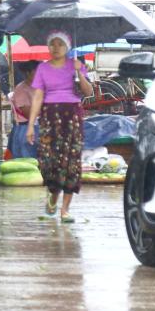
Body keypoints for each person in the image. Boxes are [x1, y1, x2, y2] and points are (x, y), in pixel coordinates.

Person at [26, 31, 93, 223]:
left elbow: (87, 92)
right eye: (52, 44)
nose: (56, 48)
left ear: (67, 47)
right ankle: (53, 196)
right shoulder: (42, 69)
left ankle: (65, 210)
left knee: (71, 160)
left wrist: (80, 72)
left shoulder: (75, 66)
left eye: (60, 44)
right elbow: (38, 97)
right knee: (49, 161)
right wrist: (31, 125)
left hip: (72, 116)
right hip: (50, 117)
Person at [8, 61, 39, 159]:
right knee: (29, 162)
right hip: (26, 128)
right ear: (28, 73)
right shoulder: (21, 89)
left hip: (39, 126)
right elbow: (28, 114)